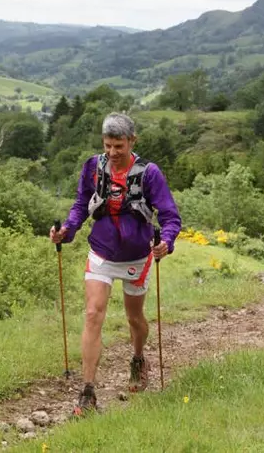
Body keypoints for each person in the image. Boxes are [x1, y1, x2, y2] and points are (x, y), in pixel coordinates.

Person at [49, 112, 182, 415]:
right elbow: (82, 204)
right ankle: (87, 392)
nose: (112, 152)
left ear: (132, 141)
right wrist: (67, 230)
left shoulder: (149, 174)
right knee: (93, 313)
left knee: (135, 319)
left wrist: (167, 242)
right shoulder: (93, 168)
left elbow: (171, 216)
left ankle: (137, 358)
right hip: (101, 252)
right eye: (107, 145)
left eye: (118, 146)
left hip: (137, 255)